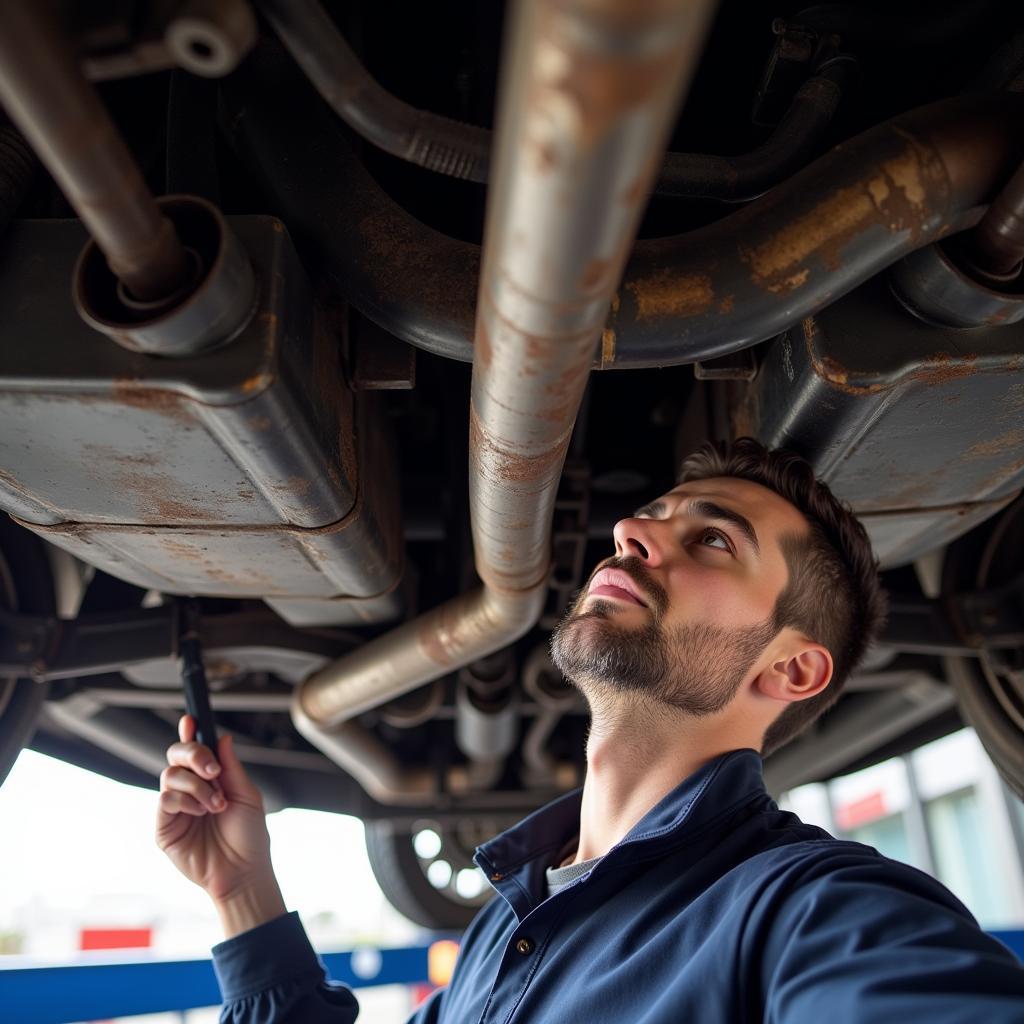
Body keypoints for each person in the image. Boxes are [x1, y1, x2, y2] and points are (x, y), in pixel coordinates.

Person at [156, 438, 1024, 1022]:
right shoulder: (508, 925)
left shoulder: (808, 910)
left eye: (715, 540)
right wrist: (241, 892)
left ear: (789, 669)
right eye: (653, 514)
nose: (633, 529)